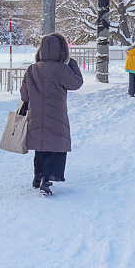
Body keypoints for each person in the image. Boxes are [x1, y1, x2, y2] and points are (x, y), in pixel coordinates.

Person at [20, 32, 83, 196]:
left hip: (35, 116)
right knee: (56, 146)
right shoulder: (61, 69)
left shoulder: (32, 69)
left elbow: (24, 95)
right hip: (56, 115)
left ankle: (37, 176)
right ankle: (46, 179)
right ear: (60, 51)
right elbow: (76, 83)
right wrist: (72, 63)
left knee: (40, 146)